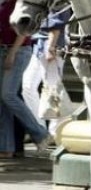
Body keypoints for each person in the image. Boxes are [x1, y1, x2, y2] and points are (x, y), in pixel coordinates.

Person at [0, 0, 51, 158]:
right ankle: (6, 146)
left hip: (18, 50)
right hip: (2, 48)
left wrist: (11, 52)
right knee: (2, 100)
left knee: (9, 95)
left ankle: (41, 134)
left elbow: (24, 29)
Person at [22, 8, 74, 136]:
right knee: (28, 86)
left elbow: (57, 20)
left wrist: (51, 46)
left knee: (53, 90)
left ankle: (55, 131)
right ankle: (41, 128)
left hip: (51, 45)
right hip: (40, 44)